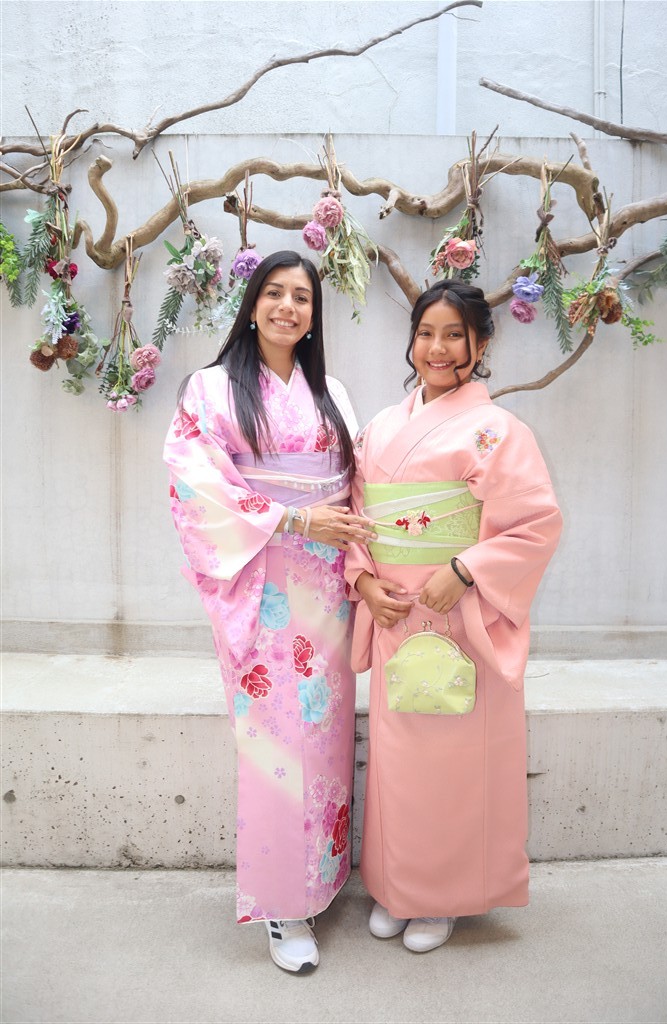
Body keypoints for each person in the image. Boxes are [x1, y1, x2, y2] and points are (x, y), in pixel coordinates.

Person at [163, 250, 374, 973]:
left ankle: (322, 877)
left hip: (326, 588)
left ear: (314, 316)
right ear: (252, 305)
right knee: (276, 742)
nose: (288, 307)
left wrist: (353, 547)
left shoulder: (330, 392)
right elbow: (194, 484)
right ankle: (283, 906)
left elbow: (353, 483)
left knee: (324, 733)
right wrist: (294, 519)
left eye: (302, 298)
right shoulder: (211, 388)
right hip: (262, 582)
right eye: (275, 293)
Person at [345, 280, 562, 953]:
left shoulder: (499, 431)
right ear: (411, 341)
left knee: (455, 763)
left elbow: (534, 524)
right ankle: (397, 886)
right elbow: (356, 512)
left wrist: (465, 570)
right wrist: (363, 581)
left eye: (453, 335)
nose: (436, 348)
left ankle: (443, 896)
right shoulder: (381, 427)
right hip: (395, 613)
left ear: (480, 344)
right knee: (399, 762)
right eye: (425, 333)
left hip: (464, 616)